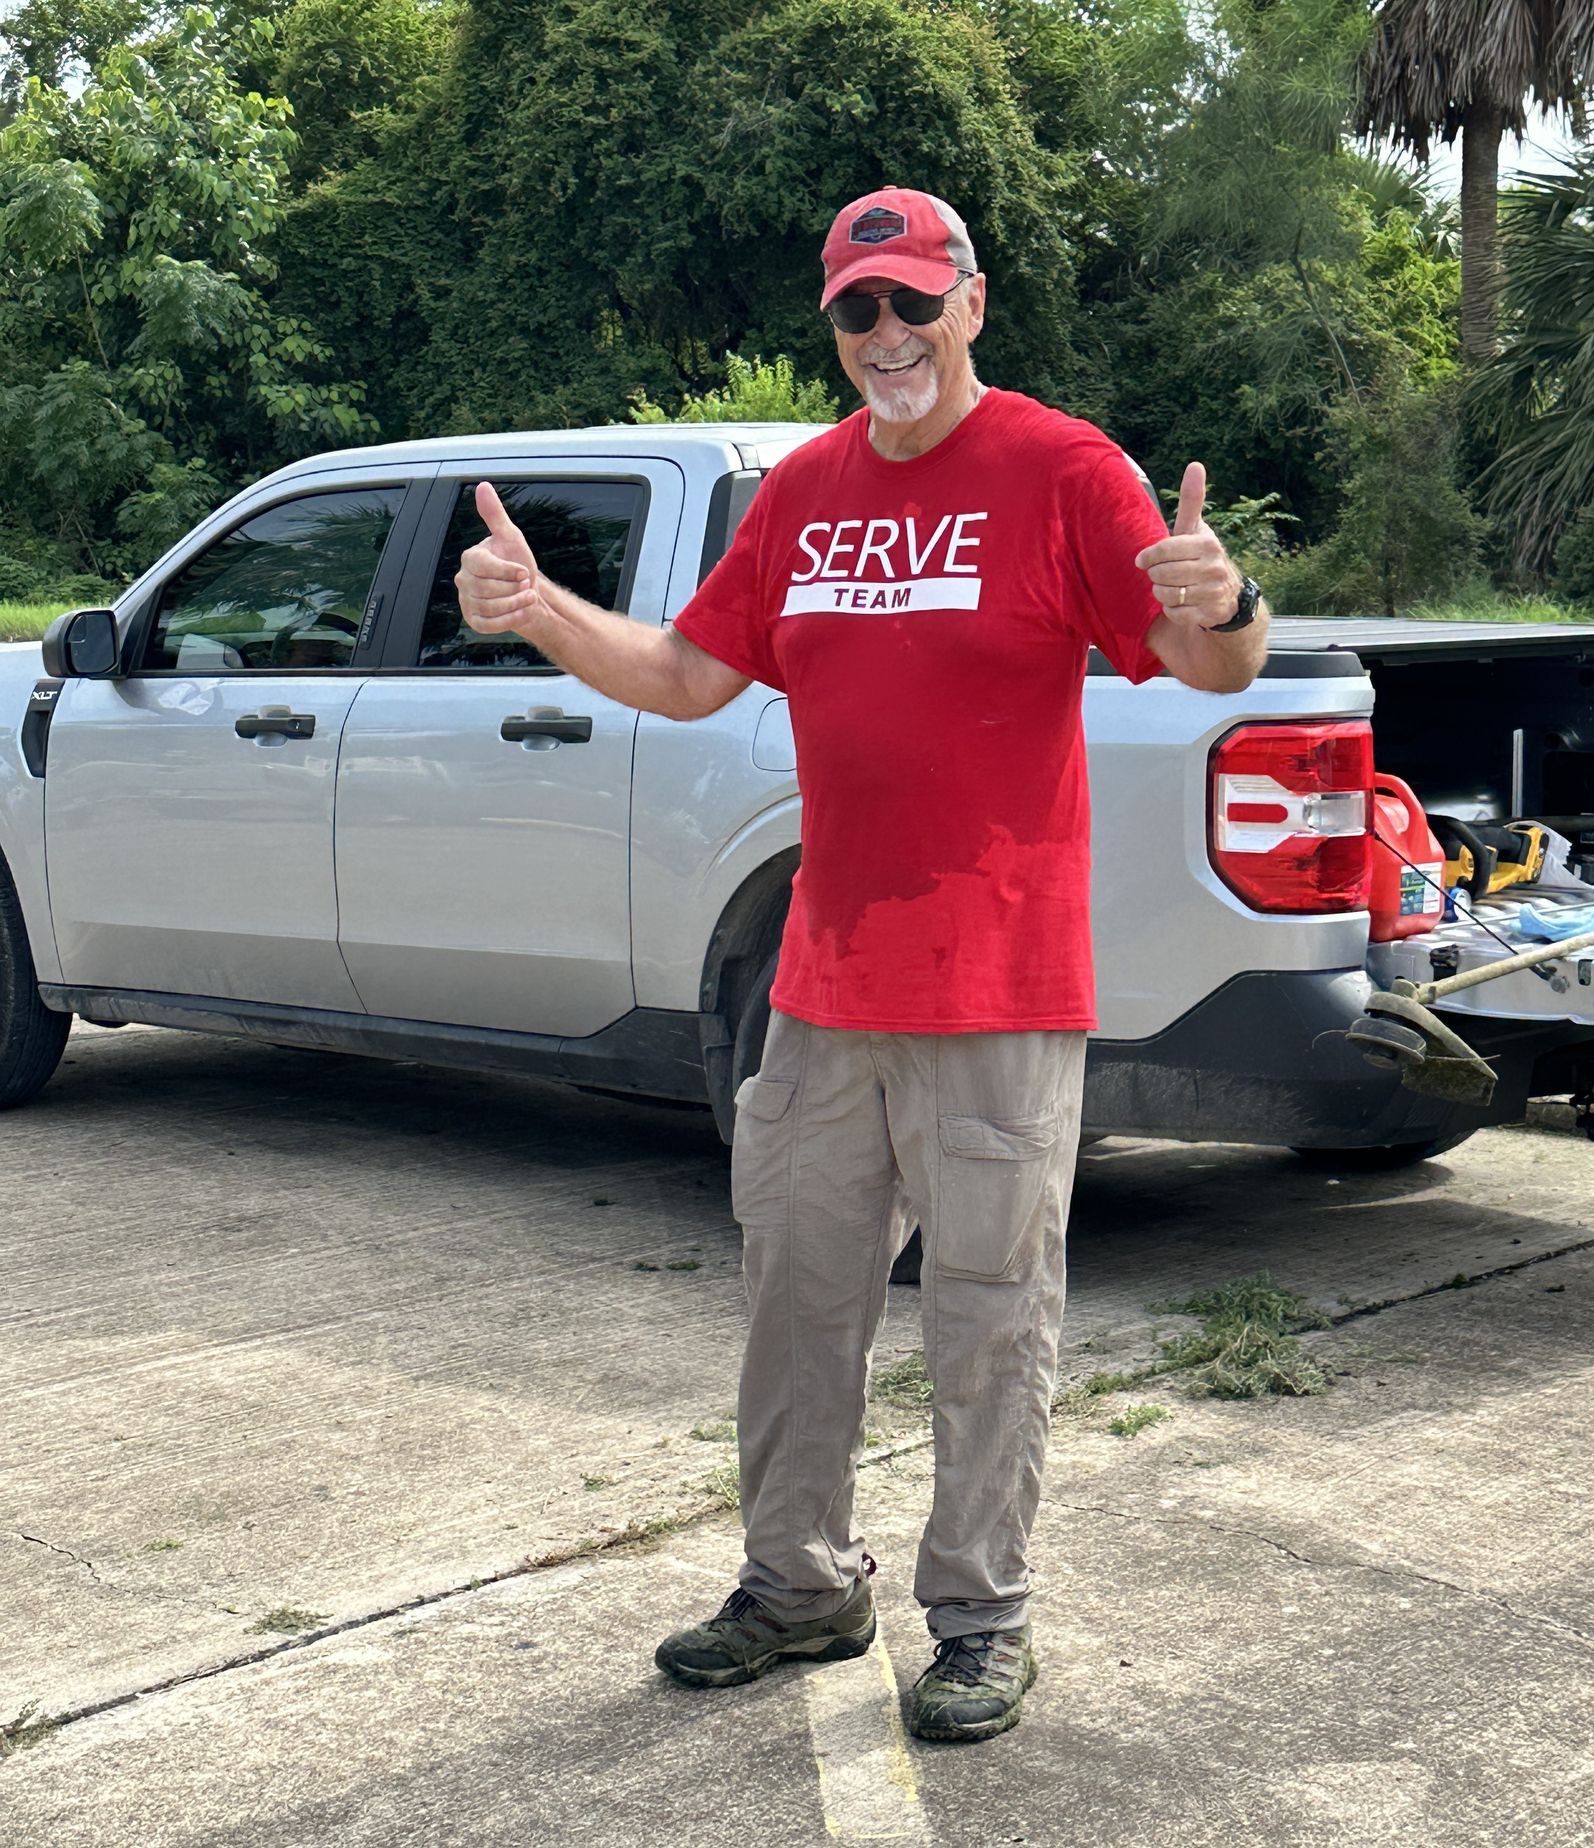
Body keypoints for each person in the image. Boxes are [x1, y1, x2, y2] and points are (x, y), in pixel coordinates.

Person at [455, 185, 1270, 1744]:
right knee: (799, 1300)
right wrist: (544, 611)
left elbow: (1206, 657)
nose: (888, 335)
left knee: (987, 1311)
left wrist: (1220, 599)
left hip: (1000, 989)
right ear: (833, 329)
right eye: (857, 311)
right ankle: (799, 1587)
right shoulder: (810, 491)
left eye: (913, 301)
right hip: (826, 988)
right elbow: (692, 674)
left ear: (971, 303)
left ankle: (978, 1616)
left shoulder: (1059, 470)